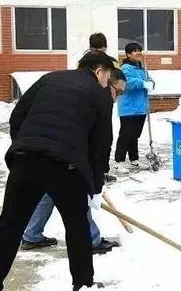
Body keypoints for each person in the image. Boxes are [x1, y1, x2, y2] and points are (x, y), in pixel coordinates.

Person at [0, 50, 116, 291]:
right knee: (76, 227)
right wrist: (95, 186)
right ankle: (83, 287)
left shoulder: (49, 78)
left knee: (9, 226)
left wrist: (25, 146)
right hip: (64, 167)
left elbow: (17, 117)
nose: (106, 82)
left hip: (25, 161)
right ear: (99, 71)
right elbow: (101, 145)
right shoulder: (99, 94)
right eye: (107, 76)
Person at [20, 69, 126, 255]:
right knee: (77, 193)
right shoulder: (96, 100)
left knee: (49, 192)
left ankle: (32, 235)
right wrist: (94, 177)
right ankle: (91, 240)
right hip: (63, 152)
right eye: (118, 92)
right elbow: (99, 143)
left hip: (43, 148)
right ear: (106, 80)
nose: (117, 98)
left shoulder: (77, 91)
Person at [115, 42, 154, 170]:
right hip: (129, 108)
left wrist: (151, 83)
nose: (138, 53)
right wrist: (143, 83)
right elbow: (127, 82)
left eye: (139, 50)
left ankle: (134, 158)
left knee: (135, 135)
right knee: (126, 135)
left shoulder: (142, 68)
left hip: (141, 107)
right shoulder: (125, 68)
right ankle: (119, 161)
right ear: (128, 54)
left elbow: (149, 79)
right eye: (135, 51)